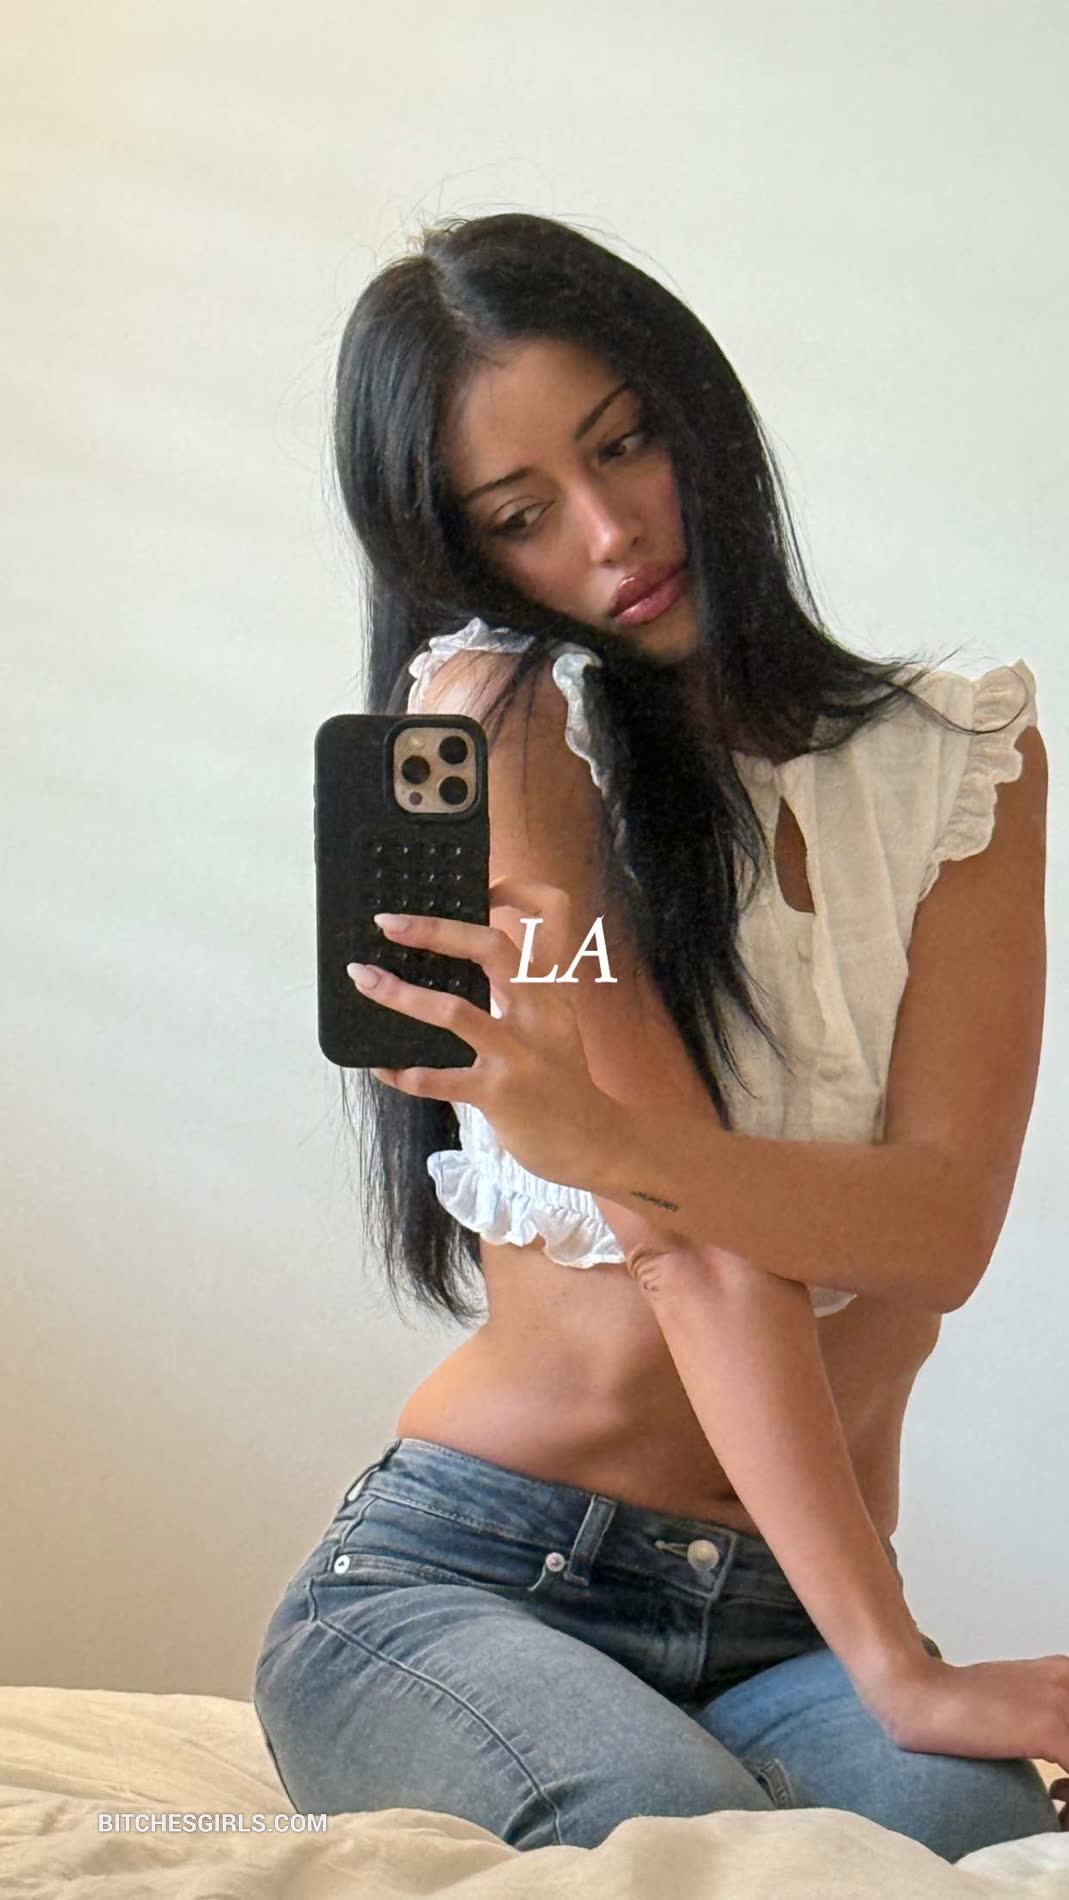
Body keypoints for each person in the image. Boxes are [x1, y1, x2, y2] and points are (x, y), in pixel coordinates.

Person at [253, 212, 1067, 1860]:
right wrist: (901, 1672)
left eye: (624, 442)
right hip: (476, 1574)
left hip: (785, 1614)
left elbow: (936, 1231)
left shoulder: (963, 760)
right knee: (664, 1837)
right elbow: (689, 1256)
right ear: (464, 556)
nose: (612, 531)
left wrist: (623, 1147)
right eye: (521, 515)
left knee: (958, 1858)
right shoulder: (502, 725)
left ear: (697, 409)